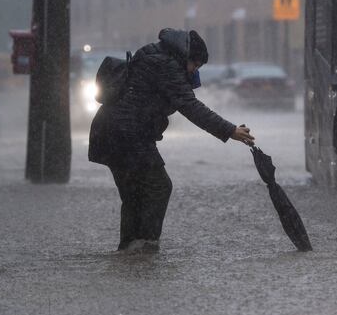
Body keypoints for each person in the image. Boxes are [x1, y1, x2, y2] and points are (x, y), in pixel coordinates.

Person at [89, 28, 255, 252]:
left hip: (110, 132)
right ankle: (145, 247)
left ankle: (129, 252)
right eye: (195, 65)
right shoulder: (165, 65)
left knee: (134, 195)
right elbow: (191, 107)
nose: (194, 71)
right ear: (186, 56)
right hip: (128, 135)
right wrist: (229, 130)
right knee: (159, 186)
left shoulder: (154, 54)